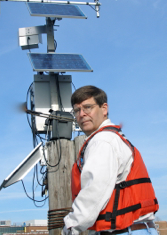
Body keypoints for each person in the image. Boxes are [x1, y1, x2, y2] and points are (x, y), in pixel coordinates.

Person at [62, 85, 159, 235]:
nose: (81, 114)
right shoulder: (113, 137)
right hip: (137, 229)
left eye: (88, 107)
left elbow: (95, 190)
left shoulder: (103, 141)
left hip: (124, 231)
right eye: (76, 110)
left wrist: (70, 227)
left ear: (104, 108)